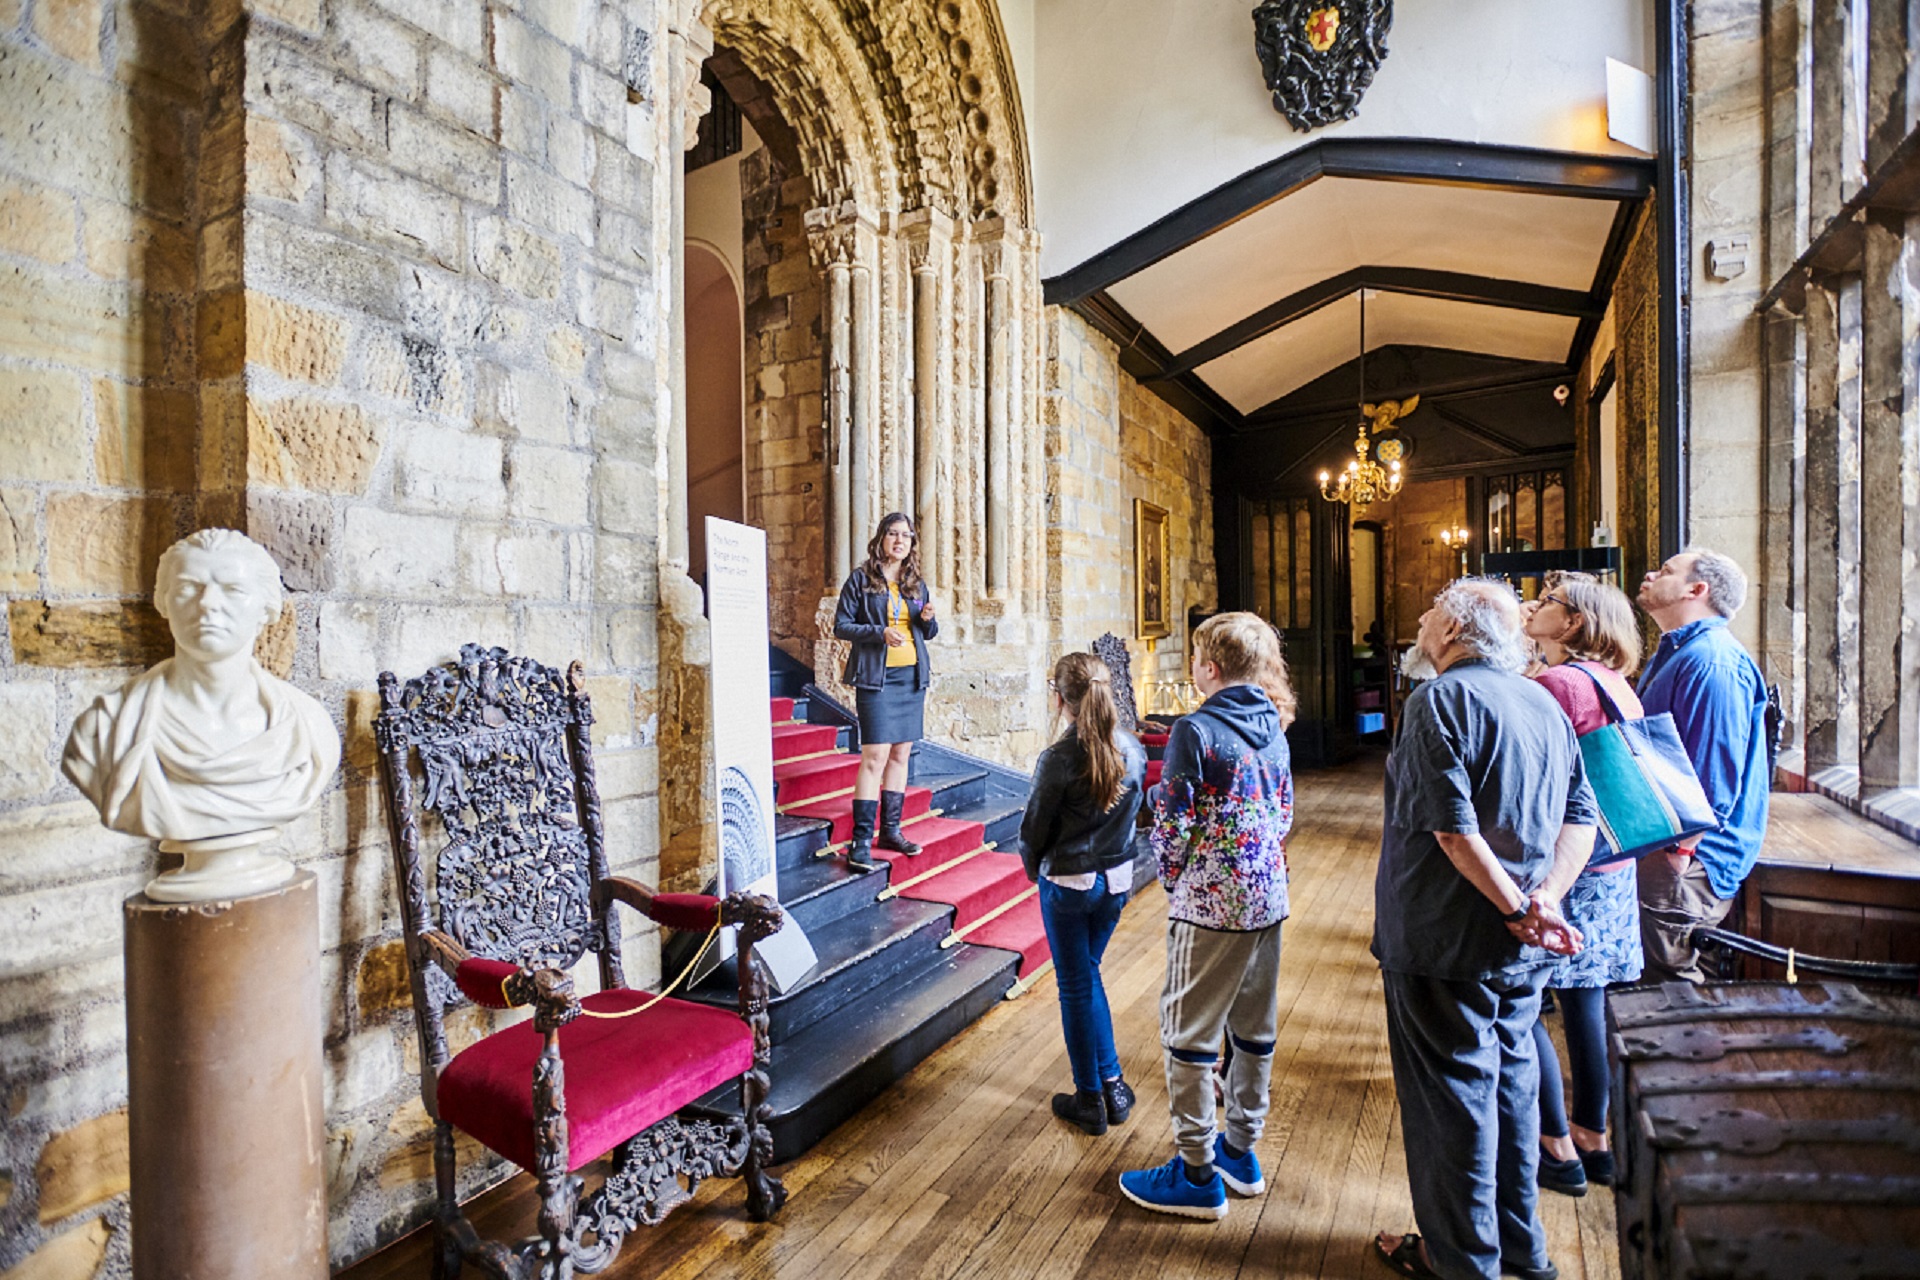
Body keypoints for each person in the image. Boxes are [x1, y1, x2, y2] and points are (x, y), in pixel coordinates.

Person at [1371, 579, 1597, 1280]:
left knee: (1452, 1105)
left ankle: (1461, 1262)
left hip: (1446, 940)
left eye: (1433, 608)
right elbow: (1581, 817)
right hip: (1515, 946)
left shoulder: (1442, 700)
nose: (1420, 617)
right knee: (1511, 1092)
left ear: (1456, 631)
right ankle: (1522, 1255)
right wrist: (1545, 901)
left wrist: (1517, 907)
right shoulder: (1540, 700)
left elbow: (1451, 827)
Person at [1118, 613, 1294, 1221]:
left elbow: (1174, 821)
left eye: (1195, 659)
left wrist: (1176, 878)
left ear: (1208, 668)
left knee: (1188, 1036)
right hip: (1269, 896)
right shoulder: (1274, 724)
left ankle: (1196, 1171)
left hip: (1213, 902)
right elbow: (1284, 810)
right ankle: (1240, 1152)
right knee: (1253, 1027)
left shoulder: (1196, 729)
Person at [62, 529, 341, 901]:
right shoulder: (103, 731)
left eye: (233, 589)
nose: (208, 603)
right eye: (188, 588)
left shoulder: (309, 731)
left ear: (266, 609)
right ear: (163, 602)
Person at [1520, 575, 1645, 1197]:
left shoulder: (1559, 683)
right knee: (1585, 1002)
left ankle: (1556, 1147)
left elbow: (1533, 780)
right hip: (1613, 863)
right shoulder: (1614, 682)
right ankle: (1592, 1136)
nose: (1532, 609)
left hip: (1566, 867)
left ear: (1571, 624)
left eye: (1545, 604)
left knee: (1521, 1005)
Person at [1020, 652, 1148, 1137]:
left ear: (1060, 699)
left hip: (1071, 884)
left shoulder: (1058, 758)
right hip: (1115, 879)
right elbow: (1133, 817)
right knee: (1088, 976)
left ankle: (1090, 1097)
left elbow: (1034, 830)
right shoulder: (1133, 749)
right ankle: (1112, 1082)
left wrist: (1037, 871)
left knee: (1075, 985)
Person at [1634, 549, 1770, 984]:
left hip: (1687, 858)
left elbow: (1711, 774)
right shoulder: (1678, 651)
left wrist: (1679, 854)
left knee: (1669, 992)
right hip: (1665, 844)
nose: (1652, 574)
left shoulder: (1712, 661)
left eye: (1667, 571)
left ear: (1697, 589)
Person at [832, 513, 938, 868]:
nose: (899, 541)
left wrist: (927, 620)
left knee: (900, 755)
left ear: (911, 544)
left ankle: (891, 830)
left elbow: (929, 631)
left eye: (905, 536)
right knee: (875, 755)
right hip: (876, 678)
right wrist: (878, 632)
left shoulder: (915, 583)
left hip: (910, 677)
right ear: (881, 538)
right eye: (893, 534)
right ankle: (860, 840)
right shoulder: (861, 579)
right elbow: (842, 625)